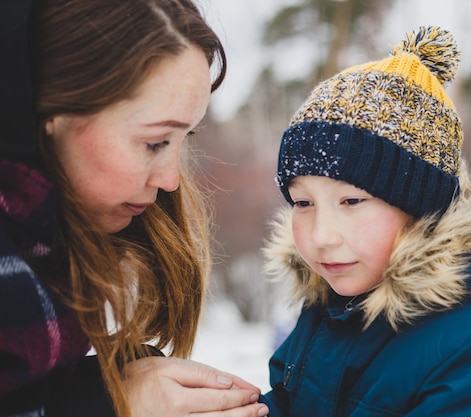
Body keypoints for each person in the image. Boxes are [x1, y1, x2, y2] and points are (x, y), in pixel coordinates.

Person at [260, 26, 471, 416]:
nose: (321, 236)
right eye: (303, 203)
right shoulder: (334, 305)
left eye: (352, 200)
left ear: (422, 208)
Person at [0, 1, 270, 417]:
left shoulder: (44, 252)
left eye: (185, 139)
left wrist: (105, 393)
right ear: (53, 112)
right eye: (155, 142)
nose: (171, 181)